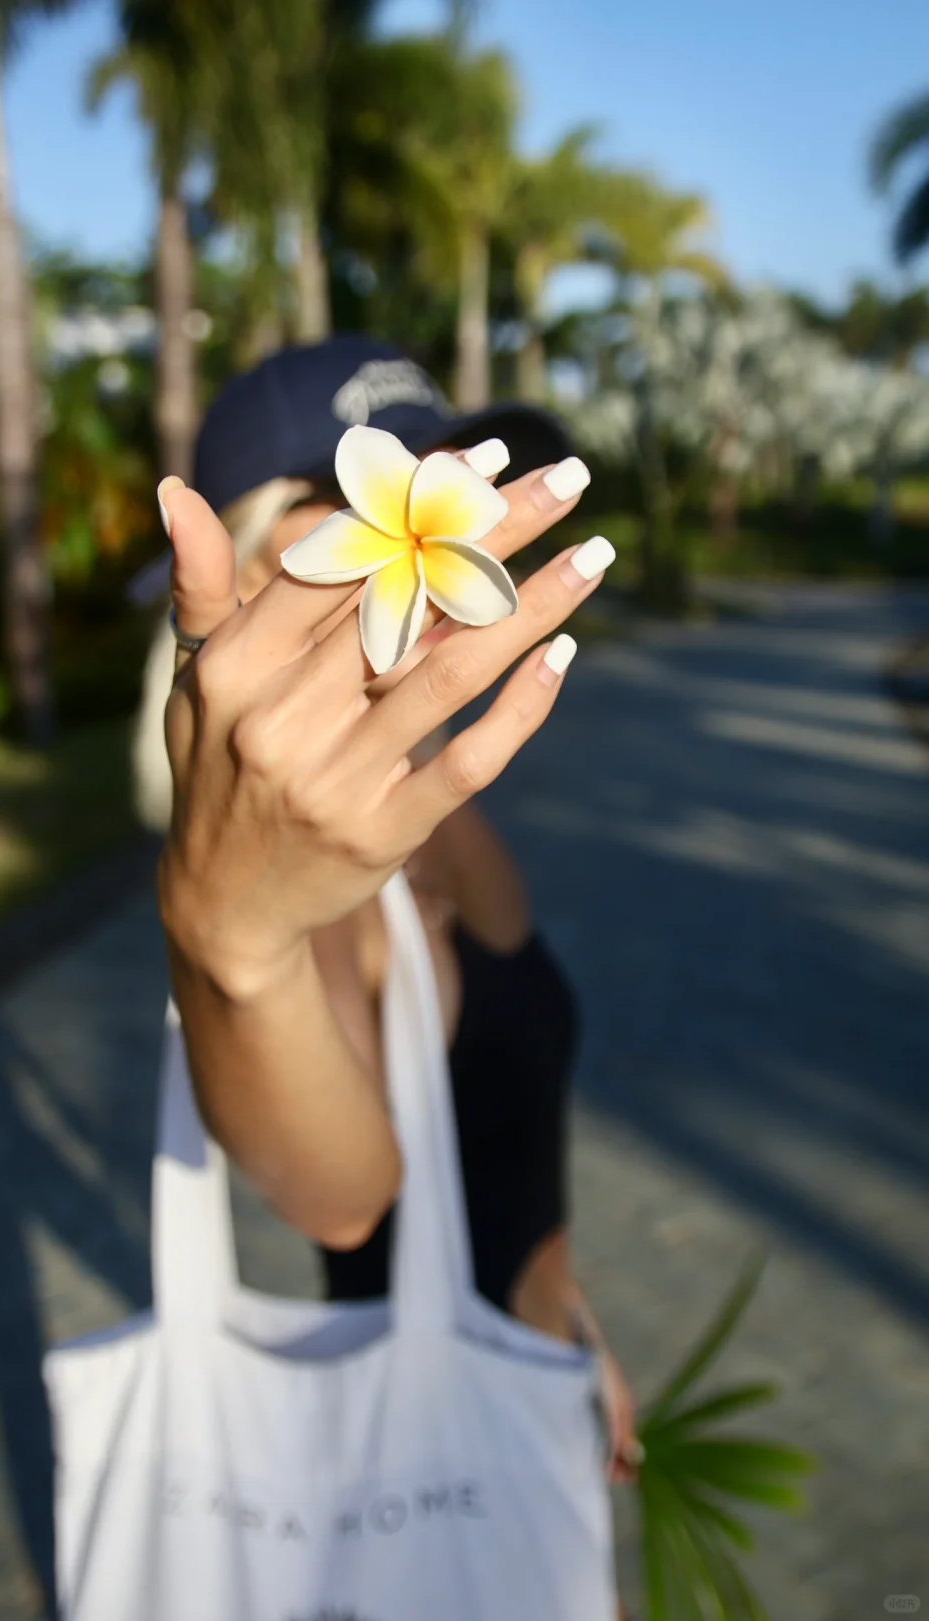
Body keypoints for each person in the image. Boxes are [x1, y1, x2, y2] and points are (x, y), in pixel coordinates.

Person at [134, 335, 639, 1484]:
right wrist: (233, 941)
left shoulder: (446, 808)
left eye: (454, 487)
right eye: (388, 490)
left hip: (544, 1402)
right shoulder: (295, 891)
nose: (457, 525)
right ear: (255, 567)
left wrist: (575, 1327)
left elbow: (506, 1137)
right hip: (423, 1468)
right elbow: (342, 1200)